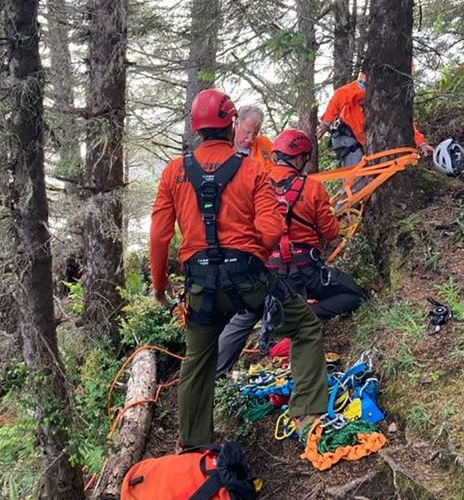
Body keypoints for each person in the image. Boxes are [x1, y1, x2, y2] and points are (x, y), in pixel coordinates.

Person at [151, 89, 329, 449]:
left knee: (197, 359)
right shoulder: (252, 170)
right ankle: (306, 416)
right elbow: (272, 228)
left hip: (200, 285)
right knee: (306, 327)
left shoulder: (174, 172)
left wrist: (159, 284)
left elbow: (159, 235)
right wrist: (251, 255)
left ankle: (192, 444)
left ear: (196, 128)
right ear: (231, 124)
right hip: (249, 278)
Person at [215, 129, 367, 376]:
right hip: (305, 273)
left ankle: (214, 373)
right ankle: (305, 315)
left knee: (244, 316)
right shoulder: (313, 189)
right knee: (354, 294)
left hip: (263, 272)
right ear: (299, 158)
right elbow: (331, 233)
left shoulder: (254, 185)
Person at [318, 72, 433, 167]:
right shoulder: (368, 84)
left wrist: (421, 144)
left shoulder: (394, 99)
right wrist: (326, 123)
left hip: (367, 142)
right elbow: (340, 95)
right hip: (347, 136)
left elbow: (406, 125)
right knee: (357, 178)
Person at [234, 104, 273, 170]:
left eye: (255, 134)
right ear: (236, 124)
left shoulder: (265, 144)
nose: (250, 139)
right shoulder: (224, 148)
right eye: (247, 132)